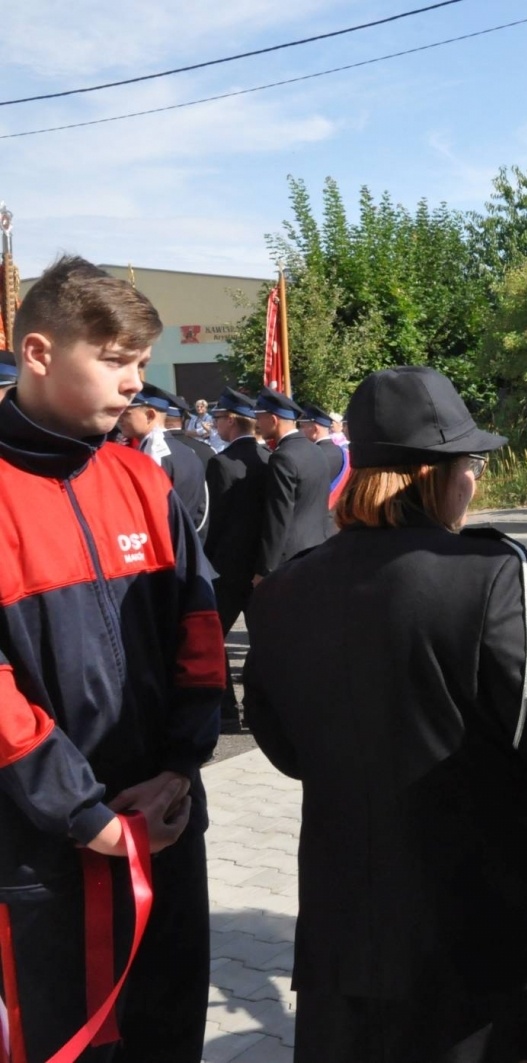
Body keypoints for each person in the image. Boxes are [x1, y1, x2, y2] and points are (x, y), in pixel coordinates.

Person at [244, 365, 527, 1063]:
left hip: (351, 937)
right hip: (495, 933)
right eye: (468, 465)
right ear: (432, 473)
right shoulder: (491, 571)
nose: (473, 481)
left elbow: (285, 747)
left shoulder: (284, 589)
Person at [0, 255, 224, 1060]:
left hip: (164, 822)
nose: (136, 382)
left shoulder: (142, 479)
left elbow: (200, 629)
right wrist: (84, 814)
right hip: (42, 844)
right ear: (38, 352)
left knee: (170, 1035)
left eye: (142, 361)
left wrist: (180, 766)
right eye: (115, 360)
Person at [205, 387, 271, 727]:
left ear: (231, 421)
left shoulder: (221, 463)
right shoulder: (269, 458)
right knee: (264, 640)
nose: (216, 424)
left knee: (213, 638)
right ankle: (264, 706)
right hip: (261, 565)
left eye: (218, 418)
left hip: (228, 568)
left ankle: (227, 710)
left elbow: (215, 521)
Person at [254, 387, 332, 580]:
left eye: (260, 418)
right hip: (318, 548)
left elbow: (278, 518)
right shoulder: (316, 450)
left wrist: (266, 569)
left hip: (290, 559)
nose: (257, 424)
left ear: (273, 420)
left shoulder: (282, 457)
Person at [119, 382, 211, 535]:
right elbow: (201, 512)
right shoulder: (186, 451)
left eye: (126, 414)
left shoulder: (154, 454)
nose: (119, 419)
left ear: (150, 415)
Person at [299, 402, 352, 520]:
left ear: (315, 429)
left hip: (317, 518)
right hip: (339, 517)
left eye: (303, 426)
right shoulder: (343, 452)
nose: (301, 431)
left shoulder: (312, 456)